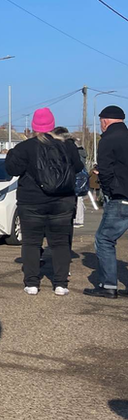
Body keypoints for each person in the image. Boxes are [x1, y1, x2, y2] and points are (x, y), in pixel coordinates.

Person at [4, 108, 83, 296]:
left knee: (31, 243)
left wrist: (10, 154)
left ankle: (32, 283)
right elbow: (79, 167)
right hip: (63, 201)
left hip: (31, 202)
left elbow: (11, 169)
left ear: (34, 127)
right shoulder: (68, 146)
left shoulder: (26, 147)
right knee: (60, 243)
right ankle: (61, 284)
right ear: (52, 125)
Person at [84, 105, 128, 298]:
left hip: (120, 197)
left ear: (104, 121)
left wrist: (108, 191)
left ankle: (109, 285)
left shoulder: (108, 140)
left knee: (104, 239)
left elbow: (107, 170)